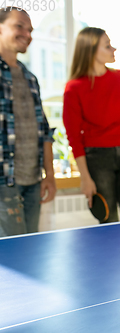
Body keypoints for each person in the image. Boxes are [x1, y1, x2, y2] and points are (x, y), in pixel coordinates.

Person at [63, 27, 120, 223]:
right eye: (107, 46)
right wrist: (85, 177)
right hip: (97, 159)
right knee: (108, 224)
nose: (113, 49)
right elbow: (74, 137)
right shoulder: (74, 88)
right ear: (90, 50)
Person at [0, 7, 56, 237]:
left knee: (29, 250)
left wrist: (49, 176)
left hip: (33, 181)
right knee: (12, 257)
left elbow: (44, 131)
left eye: (30, 29)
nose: (27, 34)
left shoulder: (30, 78)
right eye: (19, 26)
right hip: (4, 183)